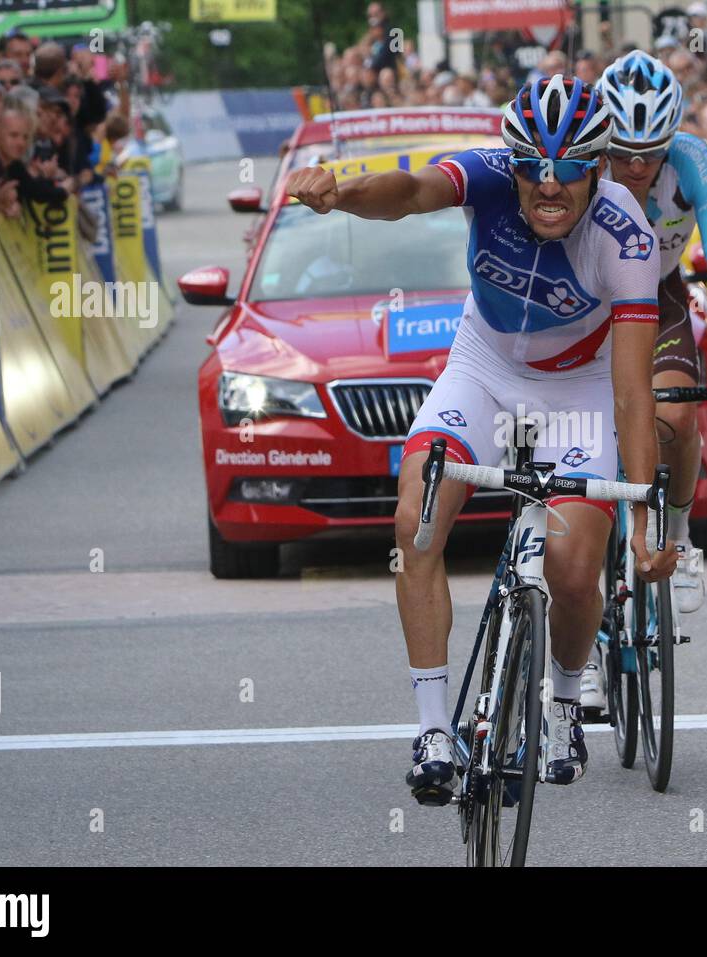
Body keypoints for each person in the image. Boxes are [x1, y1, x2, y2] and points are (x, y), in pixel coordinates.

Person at [286, 76, 676, 803]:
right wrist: (339, 193)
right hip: (485, 366)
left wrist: (646, 517)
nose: (549, 187)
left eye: (568, 171)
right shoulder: (489, 179)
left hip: (577, 390)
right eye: (533, 169)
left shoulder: (627, 238)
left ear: (597, 169)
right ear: (514, 165)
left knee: (570, 565)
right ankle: (435, 728)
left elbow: (629, 390)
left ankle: (563, 701)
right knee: (419, 517)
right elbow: (406, 193)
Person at [596, 50, 707, 629]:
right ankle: (582, 636)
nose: (636, 167)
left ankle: (682, 539)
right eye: (623, 153)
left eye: (650, 152)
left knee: (680, 417)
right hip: (591, 305)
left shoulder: (691, 158)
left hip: (658, 296)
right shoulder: (585, 158)